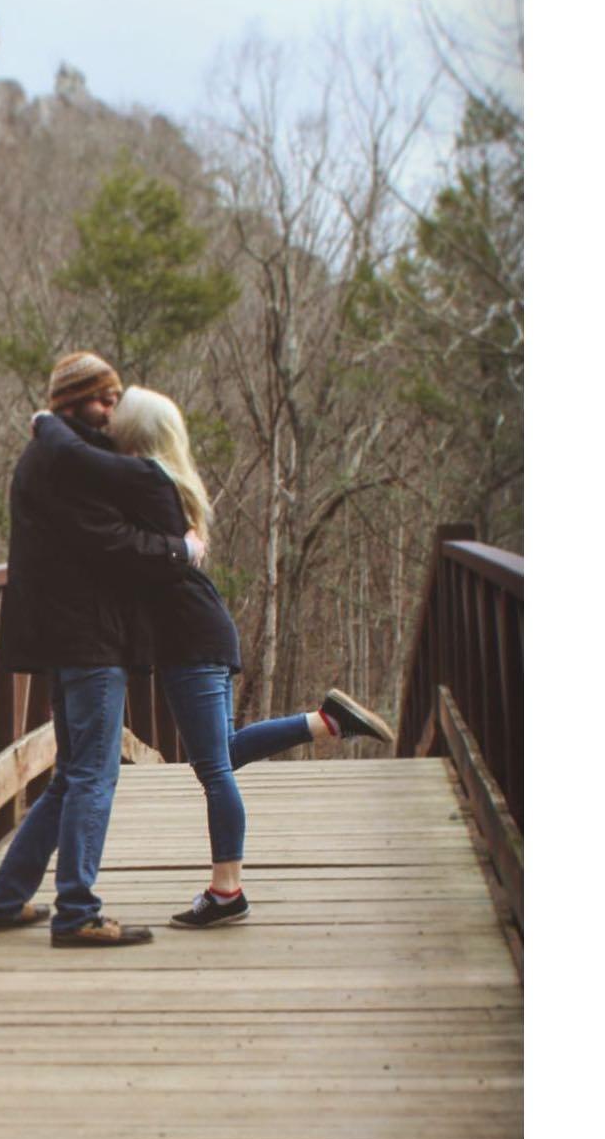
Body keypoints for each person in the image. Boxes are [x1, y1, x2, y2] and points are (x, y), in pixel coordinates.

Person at [29, 386, 393, 929]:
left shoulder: (145, 485)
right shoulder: (170, 482)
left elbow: (114, 542)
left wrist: (47, 421)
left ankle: (227, 892)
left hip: (189, 638)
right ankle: (325, 722)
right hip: (203, 628)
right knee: (220, 753)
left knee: (214, 770)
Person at [0, 353, 200, 948]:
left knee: (70, 777)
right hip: (89, 638)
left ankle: (3, 899)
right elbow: (111, 541)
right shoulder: (66, 460)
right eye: (105, 400)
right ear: (74, 402)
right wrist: (180, 551)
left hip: (68, 635)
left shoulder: (55, 454)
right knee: (94, 778)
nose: (113, 411)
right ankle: (77, 912)